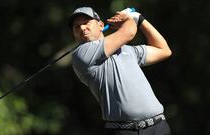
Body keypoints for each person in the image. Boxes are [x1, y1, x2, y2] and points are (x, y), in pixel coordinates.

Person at [68, 6, 172, 135]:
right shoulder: (81, 54)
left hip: (158, 127)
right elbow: (129, 32)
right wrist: (128, 18)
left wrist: (140, 19)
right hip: (123, 131)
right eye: (76, 27)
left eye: (86, 22)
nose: (82, 28)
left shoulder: (126, 50)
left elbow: (164, 50)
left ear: (100, 25)